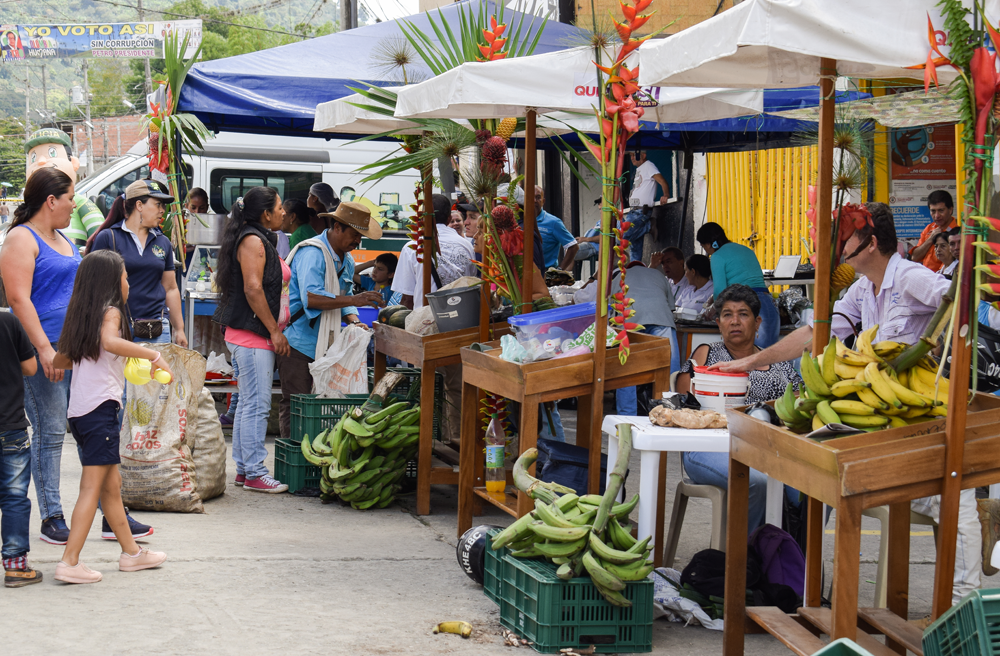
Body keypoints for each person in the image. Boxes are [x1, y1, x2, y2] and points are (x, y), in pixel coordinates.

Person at [714, 203, 986, 605]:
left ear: (871, 243)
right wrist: (751, 361)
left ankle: (967, 603)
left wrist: (935, 343)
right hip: (878, 416)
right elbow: (815, 334)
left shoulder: (910, 276)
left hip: (921, 416)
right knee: (815, 474)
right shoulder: (861, 289)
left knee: (953, 498)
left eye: (848, 241)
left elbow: (961, 305)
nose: (842, 250)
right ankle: (805, 589)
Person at [52, 251, 170, 584]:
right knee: (91, 489)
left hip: (79, 413)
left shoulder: (81, 318)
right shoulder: (112, 312)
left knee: (111, 489)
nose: (128, 282)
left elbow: (62, 360)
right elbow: (109, 341)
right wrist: (153, 354)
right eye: (125, 276)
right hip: (100, 411)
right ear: (111, 281)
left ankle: (132, 554)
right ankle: (70, 561)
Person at [675, 284, 802, 533]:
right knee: (757, 482)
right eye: (727, 315)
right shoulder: (708, 354)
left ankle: (795, 558)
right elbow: (683, 398)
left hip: (772, 450)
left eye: (743, 314)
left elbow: (801, 399)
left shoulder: (776, 360)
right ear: (719, 323)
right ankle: (745, 560)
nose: (735, 321)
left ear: (757, 323)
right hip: (710, 447)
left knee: (811, 489)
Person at [0, 167, 80, 546]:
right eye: (69, 197)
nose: (74, 204)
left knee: (86, 429)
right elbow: (18, 298)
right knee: (49, 433)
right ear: (51, 201)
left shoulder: (63, 238)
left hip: (75, 351)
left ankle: (108, 510)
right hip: (40, 351)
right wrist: (45, 349)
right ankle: (52, 515)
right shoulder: (20, 237)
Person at [279, 202, 384, 441]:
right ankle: (294, 452)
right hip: (297, 342)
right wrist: (356, 300)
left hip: (324, 343)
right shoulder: (313, 253)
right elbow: (312, 298)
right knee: (297, 404)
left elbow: (340, 296)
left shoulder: (345, 260)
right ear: (337, 228)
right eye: (355, 234)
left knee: (318, 405)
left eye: (361, 236)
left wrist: (354, 320)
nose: (357, 241)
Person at [213, 187, 292, 494]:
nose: (284, 213)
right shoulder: (253, 241)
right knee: (256, 406)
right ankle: (256, 471)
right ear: (265, 214)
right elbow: (253, 289)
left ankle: (246, 470)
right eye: (279, 208)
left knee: (248, 404)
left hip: (250, 337)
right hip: (252, 337)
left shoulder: (258, 238)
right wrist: (274, 330)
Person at [87, 180, 188, 349]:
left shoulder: (162, 242)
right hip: (117, 327)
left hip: (156, 327)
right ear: (139, 205)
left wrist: (179, 329)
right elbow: (93, 287)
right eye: (157, 204)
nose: (162, 210)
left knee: (155, 376)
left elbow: (170, 287)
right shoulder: (109, 237)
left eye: (163, 205)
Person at [0, 311, 43, 588]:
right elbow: (30, 368)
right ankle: (15, 566)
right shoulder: (8, 322)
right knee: (14, 496)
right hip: (10, 425)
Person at [696, 222, 779, 348]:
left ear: (708, 244)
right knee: (769, 357)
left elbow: (720, 291)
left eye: (703, 246)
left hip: (746, 305)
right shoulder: (746, 250)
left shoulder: (717, 256)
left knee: (751, 359)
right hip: (768, 305)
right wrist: (711, 299)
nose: (705, 250)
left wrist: (711, 310)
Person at [612, 262, 680, 416]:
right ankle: (671, 414)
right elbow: (670, 306)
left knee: (626, 372)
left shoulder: (621, 275)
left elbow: (611, 304)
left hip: (629, 320)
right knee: (670, 369)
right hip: (661, 319)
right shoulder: (659, 275)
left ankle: (627, 417)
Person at [23, 128, 104, 251]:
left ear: (73, 163)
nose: (41, 161)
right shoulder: (21, 235)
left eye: (52, 153)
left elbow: (100, 234)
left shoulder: (80, 203)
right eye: (33, 158)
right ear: (51, 202)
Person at [392, 194, 476, 309]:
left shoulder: (412, 247)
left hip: (424, 321)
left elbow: (407, 298)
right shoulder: (467, 245)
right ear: (448, 219)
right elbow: (470, 284)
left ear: (423, 218)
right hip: (460, 318)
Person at [623, 151, 670, 262]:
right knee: (635, 251)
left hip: (640, 212)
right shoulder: (639, 169)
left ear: (643, 155)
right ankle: (636, 270)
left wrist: (666, 195)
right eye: (631, 156)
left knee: (622, 238)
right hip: (634, 211)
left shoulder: (648, 165)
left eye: (635, 155)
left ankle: (648, 226)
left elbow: (663, 181)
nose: (632, 158)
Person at [531, 186, 578, 271]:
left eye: (538, 197)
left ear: (543, 201)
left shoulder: (553, 222)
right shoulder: (520, 220)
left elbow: (573, 246)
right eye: (531, 197)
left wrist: (559, 270)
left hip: (545, 273)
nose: (534, 201)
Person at [909, 190, 958, 272]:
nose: (937, 216)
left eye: (941, 211)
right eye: (933, 211)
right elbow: (914, 257)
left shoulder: (957, 232)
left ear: (950, 210)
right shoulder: (929, 228)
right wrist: (930, 240)